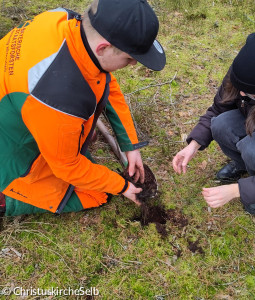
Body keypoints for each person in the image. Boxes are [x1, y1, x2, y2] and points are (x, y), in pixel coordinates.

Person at [0, 0, 166, 216]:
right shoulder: (58, 98)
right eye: (129, 58)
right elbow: (67, 167)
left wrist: (130, 144)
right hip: (10, 147)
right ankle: (6, 200)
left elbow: (104, 81)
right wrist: (122, 186)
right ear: (103, 47)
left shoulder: (63, 19)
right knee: (96, 194)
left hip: (22, 111)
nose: (133, 64)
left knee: (81, 139)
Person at [173, 30, 255, 214]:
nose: (240, 94)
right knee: (219, 124)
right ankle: (243, 165)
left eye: (249, 93)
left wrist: (237, 190)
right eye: (240, 88)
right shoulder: (246, 70)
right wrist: (194, 144)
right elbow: (218, 108)